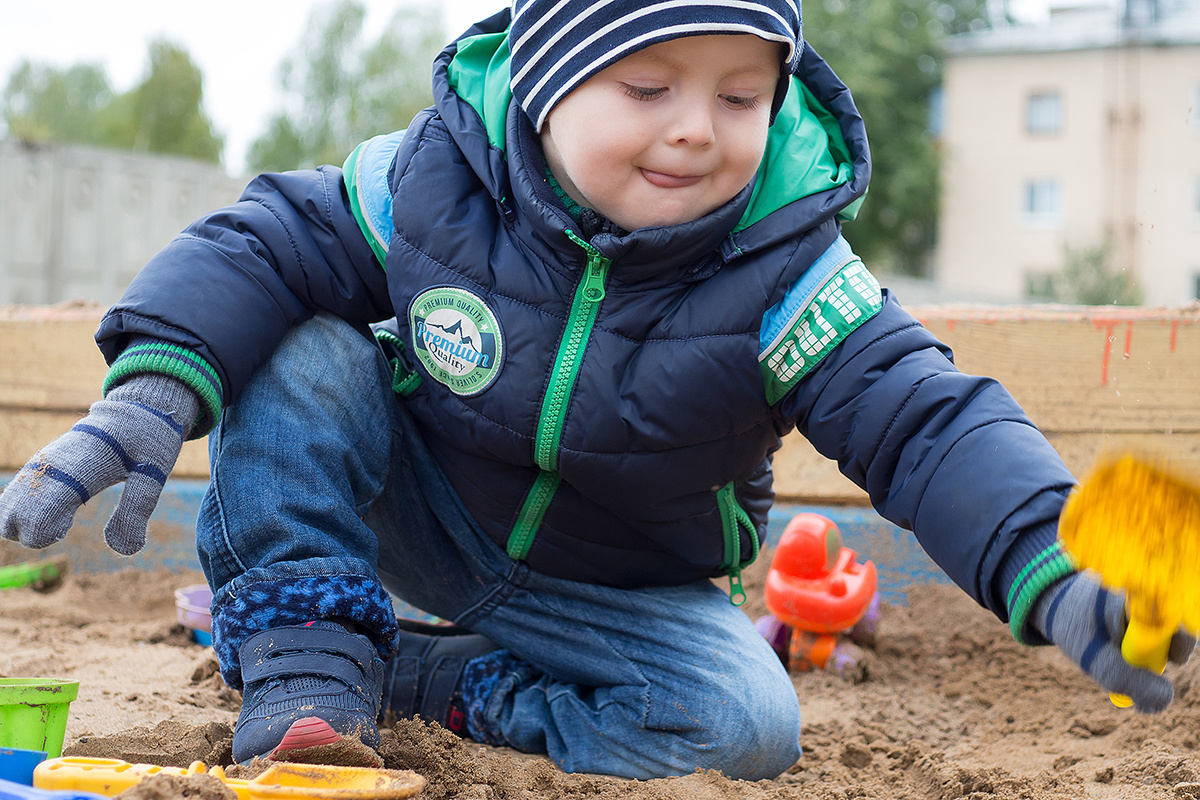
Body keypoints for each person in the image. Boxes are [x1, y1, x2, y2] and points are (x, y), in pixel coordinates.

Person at [0, 0, 1193, 782]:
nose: (696, 131)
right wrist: (152, 389)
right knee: (309, 340)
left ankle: (438, 677)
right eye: (648, 85)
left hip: (612, 583)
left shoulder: (789, 272)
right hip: (420, 508)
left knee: (750, 723)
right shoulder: (429, 185)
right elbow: (262, 240)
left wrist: (1056, 565)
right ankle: (310, 659)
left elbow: (925, 419)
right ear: (543, 80)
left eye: (740, 95)